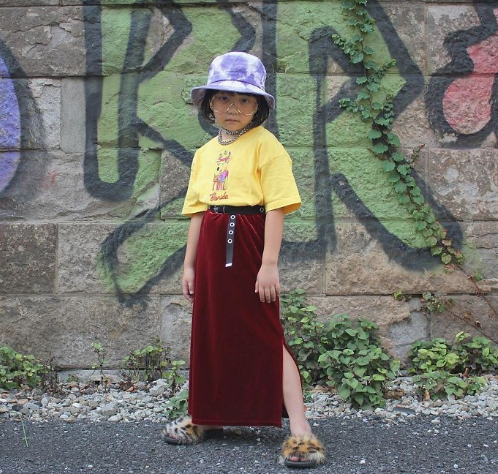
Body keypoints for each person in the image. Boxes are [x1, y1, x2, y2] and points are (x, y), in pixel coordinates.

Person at [162, 51, 326, 468]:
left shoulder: (266, 146)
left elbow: (277, 206)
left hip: (250, 242)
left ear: (258, 107)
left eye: (244, 100)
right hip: (212, 243)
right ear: (209, 104)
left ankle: (301, 429)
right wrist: (189, 264)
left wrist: (269, 263)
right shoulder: (203, 153)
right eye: (223, 98)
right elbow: (198, 212)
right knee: (212, 330)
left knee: (266, 332)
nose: (232, 108)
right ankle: (206, 416)